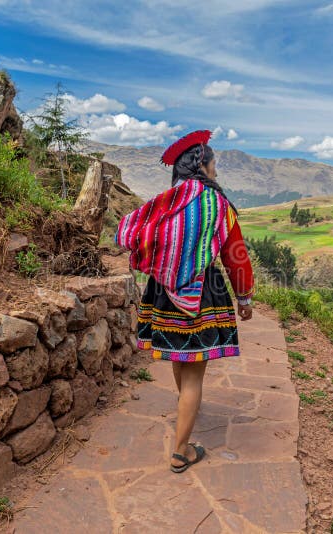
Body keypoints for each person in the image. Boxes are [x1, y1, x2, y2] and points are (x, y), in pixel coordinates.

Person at [116, 130, 255, 473]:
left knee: (181, 358)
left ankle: (185, 410)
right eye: (214, 163)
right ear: (202, 165)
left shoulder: (165, 201)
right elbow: (235, 254)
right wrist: (244, 296)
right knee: (195, 376)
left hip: (163, 289)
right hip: (204, 291)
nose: (216, 171)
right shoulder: (218, 206)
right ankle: (181, 451)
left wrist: (158, 264)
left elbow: (131, 232)